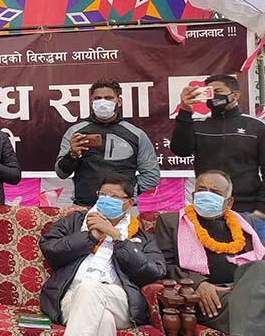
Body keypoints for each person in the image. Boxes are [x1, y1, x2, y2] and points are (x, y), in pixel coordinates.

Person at [40, 172, 166, 336]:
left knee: (90, 290)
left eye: (113, 196)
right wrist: (90, 237)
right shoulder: (75, 222)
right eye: (103, 194)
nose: (106, 199)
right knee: (104, 320)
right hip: (71, 297)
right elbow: (50, 248)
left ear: (128, 204)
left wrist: (117, 237)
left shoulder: (142, 237)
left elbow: (153, 271)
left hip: (119, 299)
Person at [154, 170, 265, 335]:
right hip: (209, 299)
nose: (206, 195)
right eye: (201, 190)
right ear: (193, 195)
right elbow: (163, 266)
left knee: (259, 269)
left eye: (215, 192)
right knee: (255, 305)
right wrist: (199, 283)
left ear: (228, 202)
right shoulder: (171, 221)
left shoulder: (245, 222)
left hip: (246, 288)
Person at [171, 74, 265, 239]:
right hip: (208, 210)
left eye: (219, 91)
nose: (214, 96)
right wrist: (185, 110)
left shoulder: (255, 127)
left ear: (235, 95)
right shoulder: (199, 126)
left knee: (253, 263)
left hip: (248, 211)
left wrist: (261, 210)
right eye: (209, 92)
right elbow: (180, 150)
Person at [54, 78, 160, 206]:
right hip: (83, 207)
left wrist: (128, 191)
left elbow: (151, 175)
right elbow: (61, 173)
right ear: (91, 101)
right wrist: (72, 156)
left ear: (119, 101)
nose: (103, 102)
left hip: (123, 208)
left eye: (109, 98)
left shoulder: (137, 134)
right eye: (98, 98)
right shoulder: (75, 133)